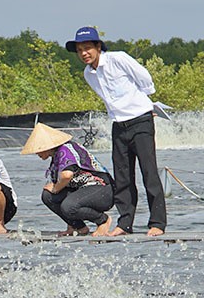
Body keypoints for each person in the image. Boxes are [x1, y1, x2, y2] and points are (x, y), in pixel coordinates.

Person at [66, 26, 167, 237]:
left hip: (140, 121)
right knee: (122, 177)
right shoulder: (88, 74)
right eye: (79, 50)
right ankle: (125, 224)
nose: (84, 53)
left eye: (87, 48)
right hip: (119, 125)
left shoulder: (118, 59)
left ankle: (157, 223)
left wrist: (143, 103)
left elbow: (145, 79)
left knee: (149, 172)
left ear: (98, 47)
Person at [20, 122, 115, 236]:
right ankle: (77, 227)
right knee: (48, 196)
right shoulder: (56, 155)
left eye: (38, 149)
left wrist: (55, 188)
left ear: (47, 146)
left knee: (68, 206)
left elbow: (66, 176)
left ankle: (103, 220)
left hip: (102, 189)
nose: (36, 153)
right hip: (83, 190)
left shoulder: (65, 151)